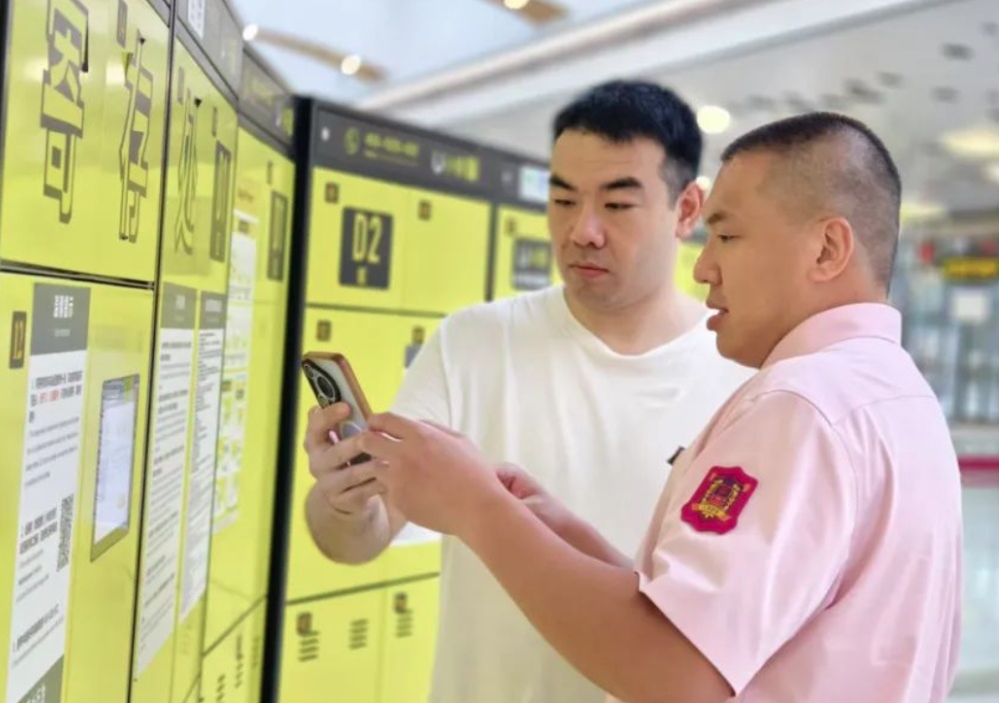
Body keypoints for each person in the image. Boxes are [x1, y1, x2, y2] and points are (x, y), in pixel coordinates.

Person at [356, 111, 964, 703]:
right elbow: (737, 623)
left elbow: (677, 672)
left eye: (728, 236)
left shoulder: (799, 406)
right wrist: (564, 539)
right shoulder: (896, 395)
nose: (704, 266)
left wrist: (475, 507)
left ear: (827, 249)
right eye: (563, 199)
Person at [301, 80, 754, 703]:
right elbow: (358, 539)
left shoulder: (744, 376)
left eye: (617, 205)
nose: (582, 230)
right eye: (563, 200)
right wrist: (343, 502)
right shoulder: (473, 342)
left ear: (686, 209)